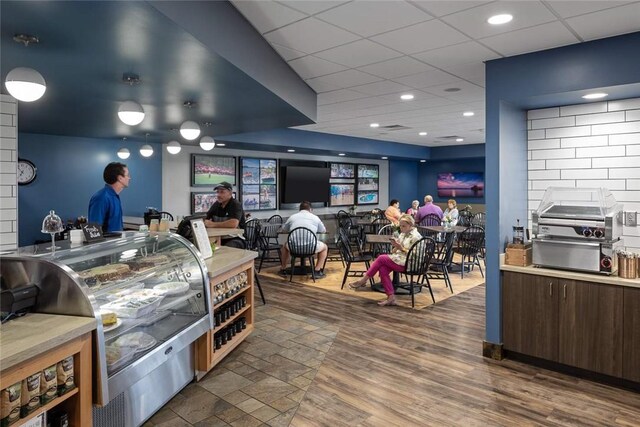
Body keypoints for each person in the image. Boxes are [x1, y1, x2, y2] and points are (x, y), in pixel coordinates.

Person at [349, 214, 422, 306]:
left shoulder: (416, 237)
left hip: (411, 263)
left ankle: (363, 280)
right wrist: (396, 246)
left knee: (381, 258)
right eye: (400, 226)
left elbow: (416, 255)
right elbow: (395, 251)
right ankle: (391, 297)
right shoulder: (403, 234)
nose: (401, 228)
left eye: (404, 226)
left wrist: (401, 248)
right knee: (383, 269)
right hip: (400, 259)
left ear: (411, 225)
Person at [280, 201, 328, 278]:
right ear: (310, 209)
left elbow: (284, 230)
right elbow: (323, 230)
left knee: (284, 246)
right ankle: (317, 271)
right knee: (325, 247)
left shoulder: (292, 217)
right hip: (310, 248)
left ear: (299, 209)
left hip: (294, 248)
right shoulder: (315, 218)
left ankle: (283, 269)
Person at [88, 162, 130, 233]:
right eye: (127, 175)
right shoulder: (101, 197)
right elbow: (93, 230)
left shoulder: (115, 196)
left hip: (116, 242)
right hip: (106, 243)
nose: (129, 178)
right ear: (120, 178)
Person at [205, 182, 246, 249]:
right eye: (217, 192)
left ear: (230, 193)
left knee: (225, 249)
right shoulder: (216, 204)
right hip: (218, 237)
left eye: (222, 192)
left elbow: (233, 223)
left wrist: (213, 224)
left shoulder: (235, 204)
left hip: (235, 238)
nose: (218, 195)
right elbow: (206, 220)